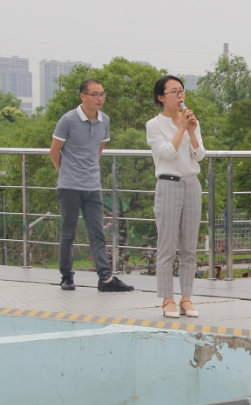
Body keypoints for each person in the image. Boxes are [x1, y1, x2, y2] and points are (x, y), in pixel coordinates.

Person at [49, 79, 134, 293]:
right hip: (69, 186)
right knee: (68, 232)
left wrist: (88, 173)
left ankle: (105, 278)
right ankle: (66, 277)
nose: (100, 98)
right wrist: (66, 174)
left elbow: (98, 150)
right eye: (95, 94)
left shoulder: (104, 120)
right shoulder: (68, 120)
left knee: (97, 233)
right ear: (83, 96)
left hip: (93, 186)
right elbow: (54, 151)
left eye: (102, 94)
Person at [146, 76, 205, 318]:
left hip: (191, 183)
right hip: (168, 184)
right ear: (161, 97)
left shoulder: (190, 121)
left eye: (181, 91)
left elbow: (199, 155)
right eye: (174, 92)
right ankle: (167, 299)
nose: (180, 96)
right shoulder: (154, 125)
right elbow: (167, 153)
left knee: (189, 247)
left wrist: (191, 131)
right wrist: (181, 128)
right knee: (167, 246)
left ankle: (187, 298)